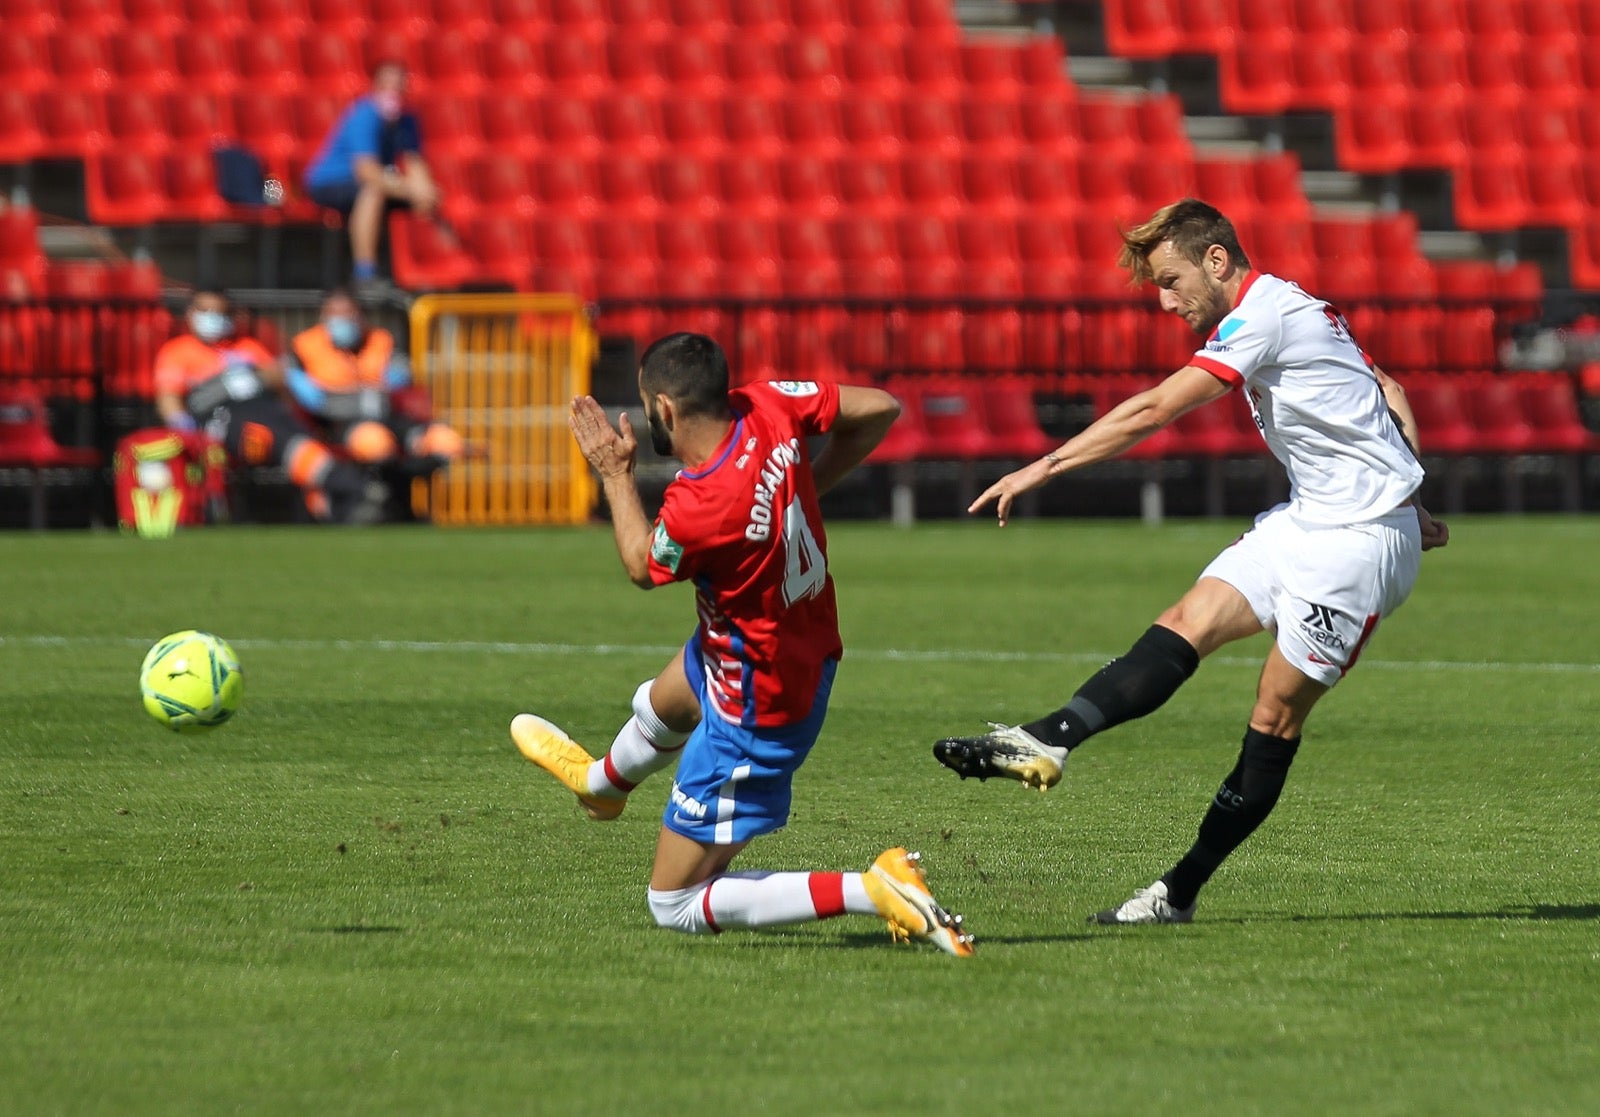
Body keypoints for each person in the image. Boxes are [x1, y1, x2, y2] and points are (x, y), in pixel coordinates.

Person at [932, 199, 1451, 924]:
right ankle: (1047, 741)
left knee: (1272, 717)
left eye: (1173, 282)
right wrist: (1412, 490)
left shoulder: (1264, 317)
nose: (1168, 302)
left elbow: (1154, 410)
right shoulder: (1295, 306)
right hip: (1307, 520)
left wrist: (1040, 468)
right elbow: (1387, 390)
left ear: (1217, 260)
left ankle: (1178, 892)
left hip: (1357, 546)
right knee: (1187, 619)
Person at [512, 332, 974, 956]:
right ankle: (601, 787)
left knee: (672, 904)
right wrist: (808, 482)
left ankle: (874, 888)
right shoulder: (769, 405)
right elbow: (881, 409)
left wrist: (616, 474)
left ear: (665, 411)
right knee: (667, 699)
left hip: (757, 705)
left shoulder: (700, 503)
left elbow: (642, 566)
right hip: (778, 646)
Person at [153, 289, 382, 523]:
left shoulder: (248, 347)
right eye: (205, 311)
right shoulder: (177, 351)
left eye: (219, 312)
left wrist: (261, 376)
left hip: (263, 408)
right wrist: (183, 428)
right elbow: (168, 399)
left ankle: (338, 500)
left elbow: (278, 380)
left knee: (296, 432)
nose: (212, 317)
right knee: (272, 436)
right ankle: (354, 488)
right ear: (190, 313)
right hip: (222, 421)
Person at [302, 61, 444, 292]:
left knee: (429, 197)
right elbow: (367, 171)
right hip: (330, 183)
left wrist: (426, 192)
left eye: (399, 85)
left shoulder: (407, 122)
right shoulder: (363, 116)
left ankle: (430, 267)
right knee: (374, 191)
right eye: (388, 84)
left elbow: (415, 164)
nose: (394, 91)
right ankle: (365, 272)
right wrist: (411, 189)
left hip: (378, 181)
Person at [285, 288, 464, 469]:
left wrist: (390, 382)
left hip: (387, 413)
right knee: (374, 441)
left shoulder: (380, 340)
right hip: (341, 422)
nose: (342, 319)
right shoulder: (305, 345)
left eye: (348, 312)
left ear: (360, 315)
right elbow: (301, 388)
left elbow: (400, 373)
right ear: (323, 316)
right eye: (334, 313)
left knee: (443, 441)